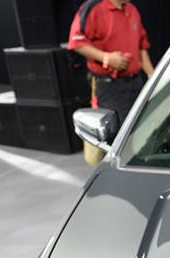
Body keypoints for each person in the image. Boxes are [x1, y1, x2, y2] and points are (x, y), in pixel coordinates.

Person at [68, 0, 154, 161]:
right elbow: (76, 41)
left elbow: (141, 46)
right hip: (110, 88)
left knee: (143, 133)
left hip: (136, 84)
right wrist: (106, 58)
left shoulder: (132, 9)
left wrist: (153, 77)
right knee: (118, 140)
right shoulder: (94, 8)